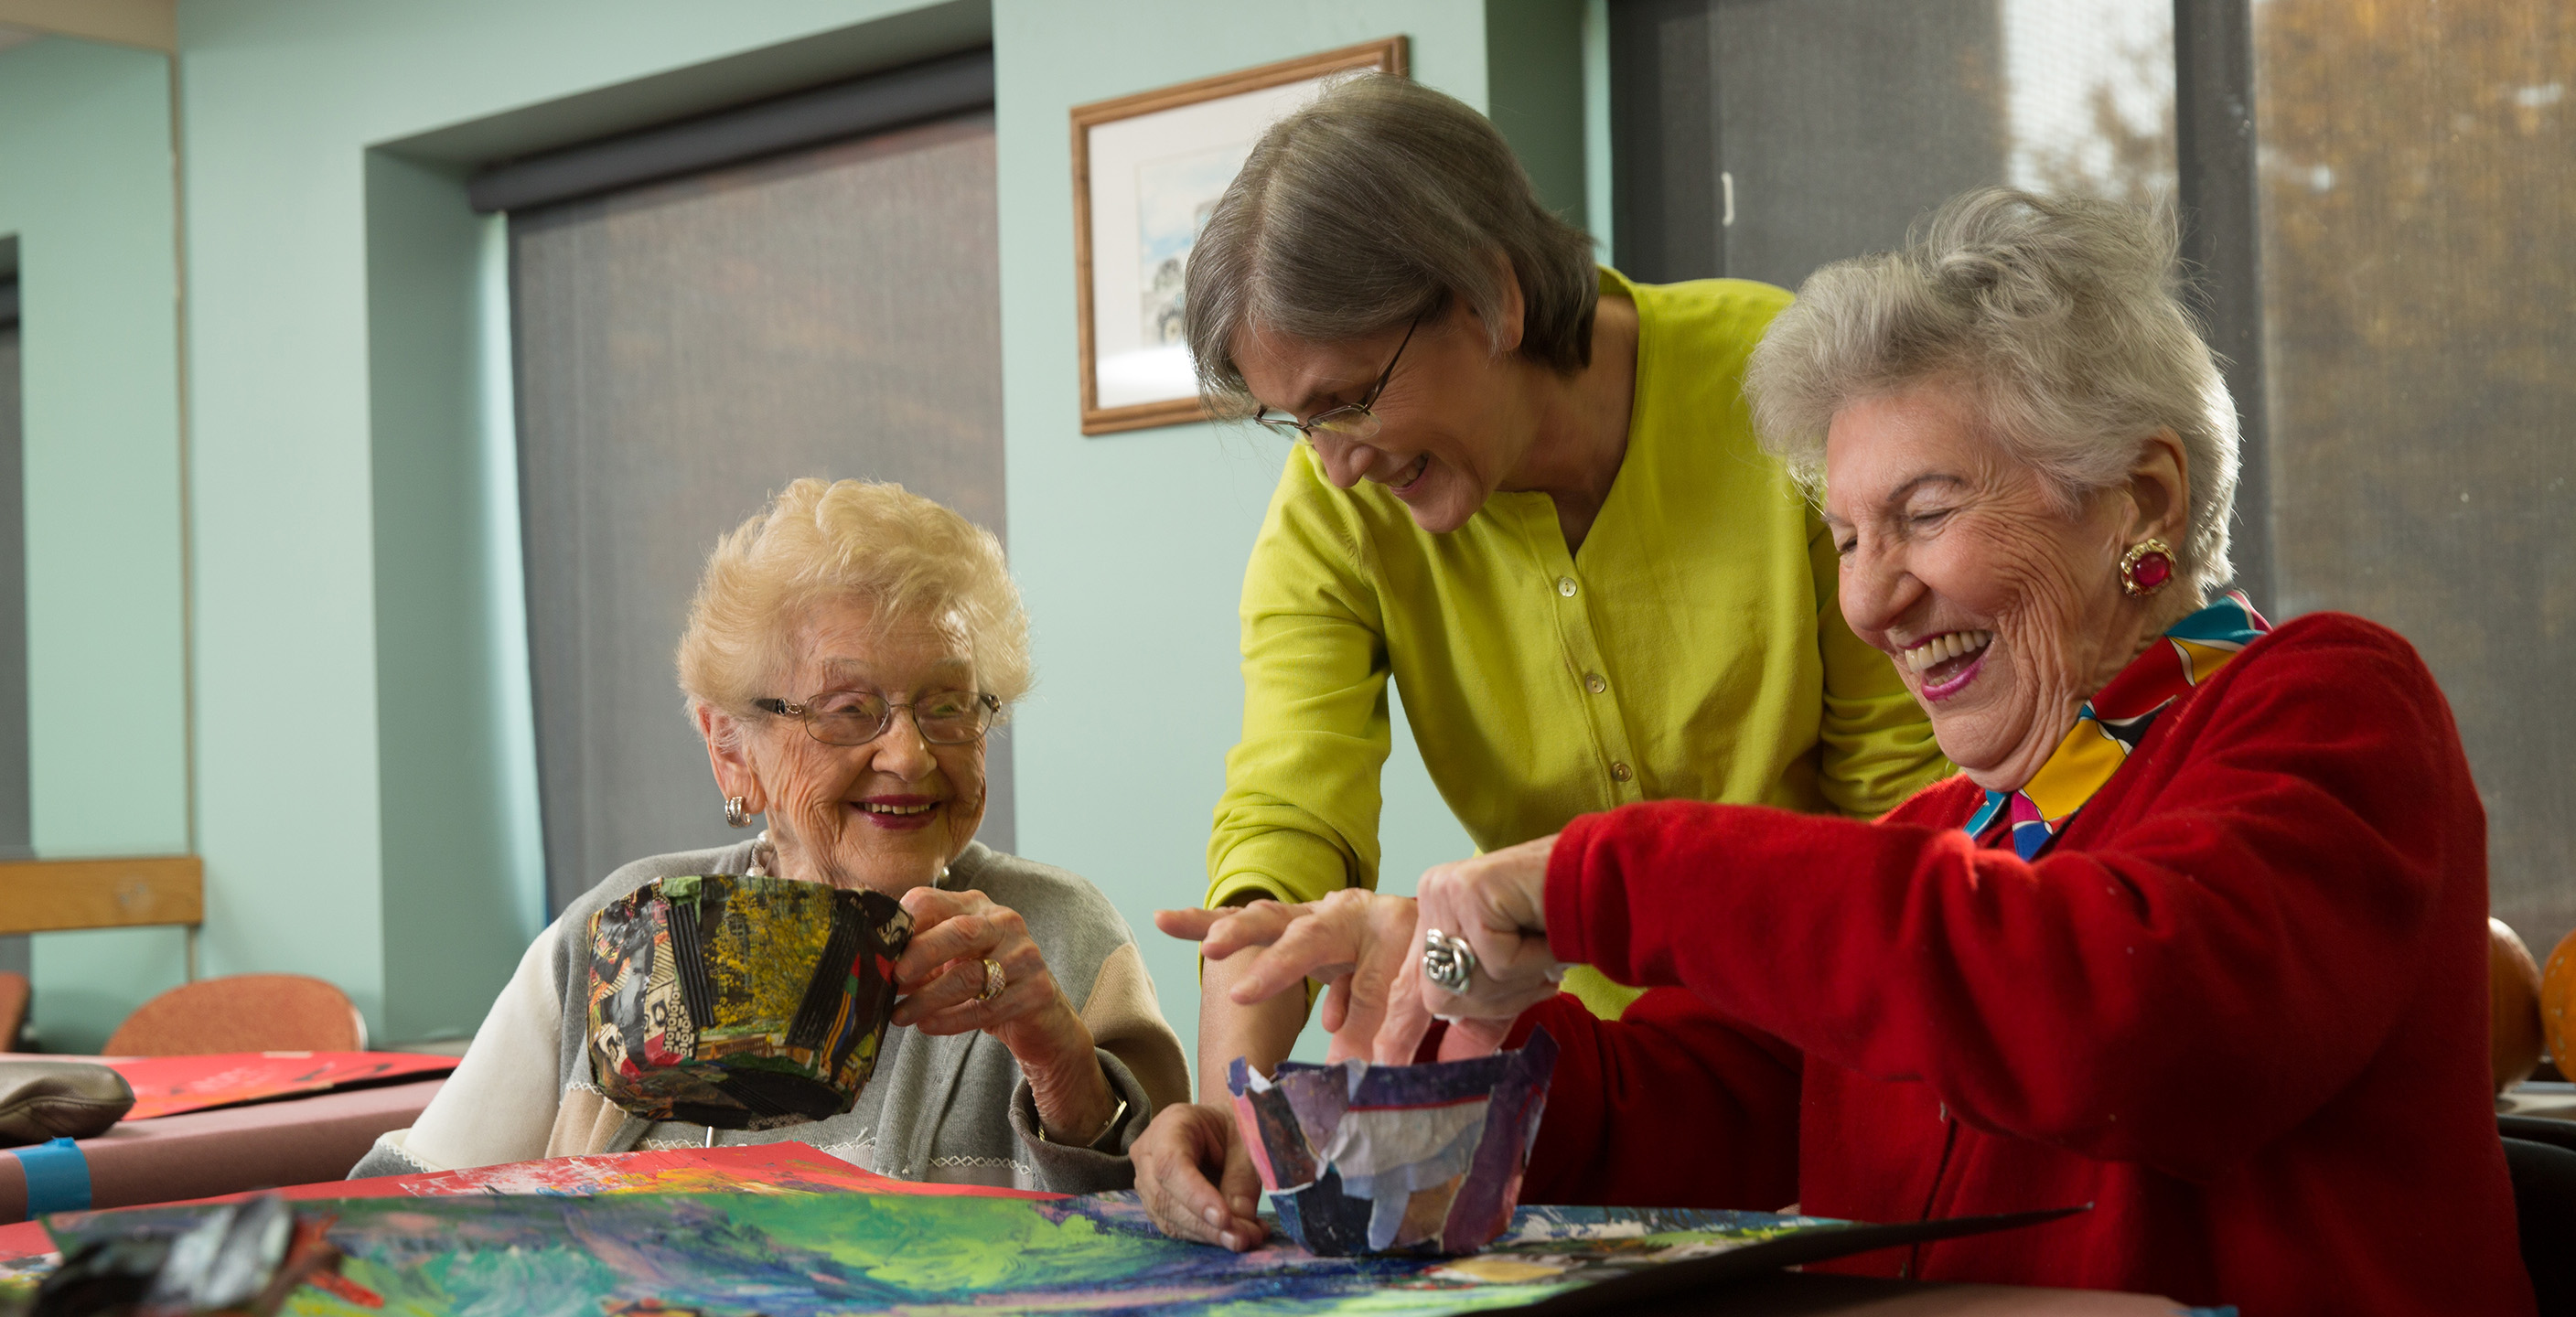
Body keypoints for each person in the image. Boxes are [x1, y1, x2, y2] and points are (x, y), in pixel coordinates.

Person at [1142, 189, 2535, 1316]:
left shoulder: (2331, 703)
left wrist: (1597, 876)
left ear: (2142, 502)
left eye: (1923, 516)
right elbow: (1679, 1113)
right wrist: (1451, 1012)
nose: (1870, 602)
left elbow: (2126, 1014)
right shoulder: (1944, 833)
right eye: (1849, 539)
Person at [1139, 71, 1948, 1227]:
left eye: (1349, 398)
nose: (1331, 461)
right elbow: (1286, 807)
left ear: (1493, 300)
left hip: (1852, 1052)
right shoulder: (1338, 506)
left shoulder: (1780, 384)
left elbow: (1914, 817)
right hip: (1588, 1101)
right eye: (1294, 421)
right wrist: (1234, 1106)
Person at [353, 478, 1187, 1193]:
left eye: (946, 706)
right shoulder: (621, 931)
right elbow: (392, 1217)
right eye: (848, 710)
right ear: (730, 749)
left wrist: (1059, 1061)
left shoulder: (1058, 939)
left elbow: (1169, 1228)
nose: (908, 752)